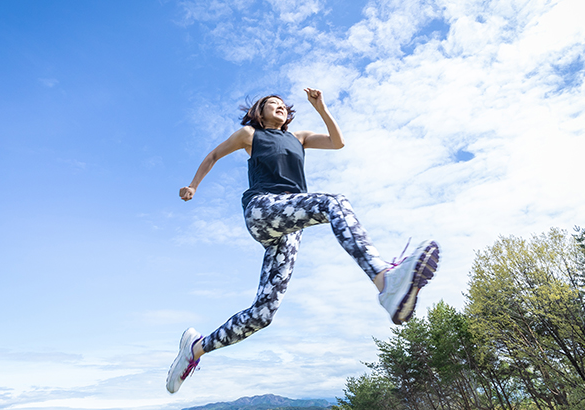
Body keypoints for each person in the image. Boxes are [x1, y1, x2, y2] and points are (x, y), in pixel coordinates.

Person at [166, 88, 439, 394]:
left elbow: (338, 142)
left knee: (263, 313)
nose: (280, 108)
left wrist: (321, 108)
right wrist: (193, 185)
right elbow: (214, 155)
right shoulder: (249, 135)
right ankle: (384, 280)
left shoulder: (300, 137)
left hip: (290, 226)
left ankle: (196, 348)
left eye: (284, 106)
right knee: (333, 203)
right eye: (273, 104)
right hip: (263, 209)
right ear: (260, 111)